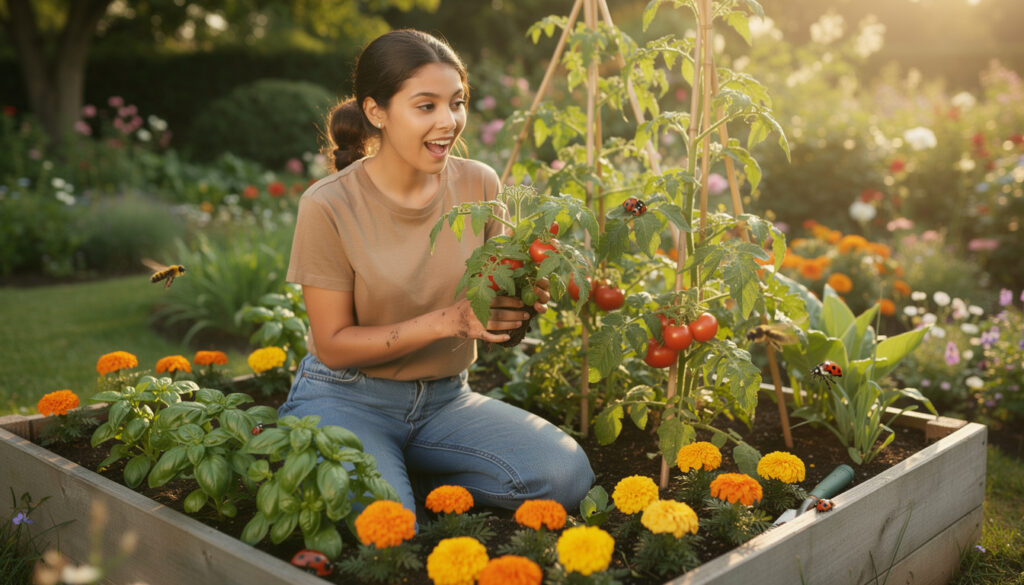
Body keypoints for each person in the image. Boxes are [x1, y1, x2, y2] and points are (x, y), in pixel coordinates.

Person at [278, 29, 595, 518]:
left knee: (565, 474)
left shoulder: (478, 181)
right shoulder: (328, 205)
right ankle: (385, 468)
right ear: (375, 111)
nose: (449, 122)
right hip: (347, 397)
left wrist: (518, 305)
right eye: (426, 106)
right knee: (391, 527)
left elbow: (486, 305)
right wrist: (451, 321)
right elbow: (334, 345)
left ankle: (406, 467)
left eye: (457, 102)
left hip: (446, 401)